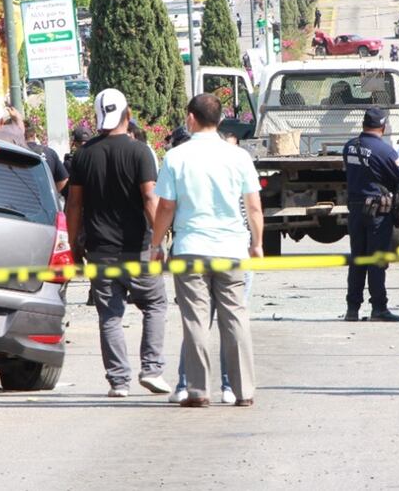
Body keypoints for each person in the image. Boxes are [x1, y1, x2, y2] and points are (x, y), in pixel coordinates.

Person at [151, 94, 262, 408]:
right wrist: (257, 243)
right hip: (232, 248)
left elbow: (166, 208)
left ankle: (198, 391)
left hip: (190, 248)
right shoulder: (238, 157)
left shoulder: (176, 157)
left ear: (190, 118)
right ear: (220, 120)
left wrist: (156, 244)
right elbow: (254, 207)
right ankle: (244, 391)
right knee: (235, 318)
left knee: (196, 320)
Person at [66, 89, 169, 398]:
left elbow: (74, 205)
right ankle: (151, 369)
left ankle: (119, 381)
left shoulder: (84, 155)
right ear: (128, 114)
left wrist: (73, 247)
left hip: (100, 249)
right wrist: (159, 240)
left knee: (110, 315)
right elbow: (150, 197)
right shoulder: (140, 152)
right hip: (137, 247)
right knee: (154, 305)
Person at [342, 107, 399, 322]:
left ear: (363, 124)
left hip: (356, 209)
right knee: (377, 260)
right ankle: (378, 307)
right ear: (383, 126)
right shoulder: (384, 150)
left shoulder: (350, 147)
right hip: (377, 212)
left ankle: (352, 308)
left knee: (357, 258)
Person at [24, 122, 69, 193]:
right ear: (34, 135)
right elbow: (63, 180)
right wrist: (51, 195)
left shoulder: (15, 152)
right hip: (45, 201)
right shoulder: (50, 153)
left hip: (20, 200)